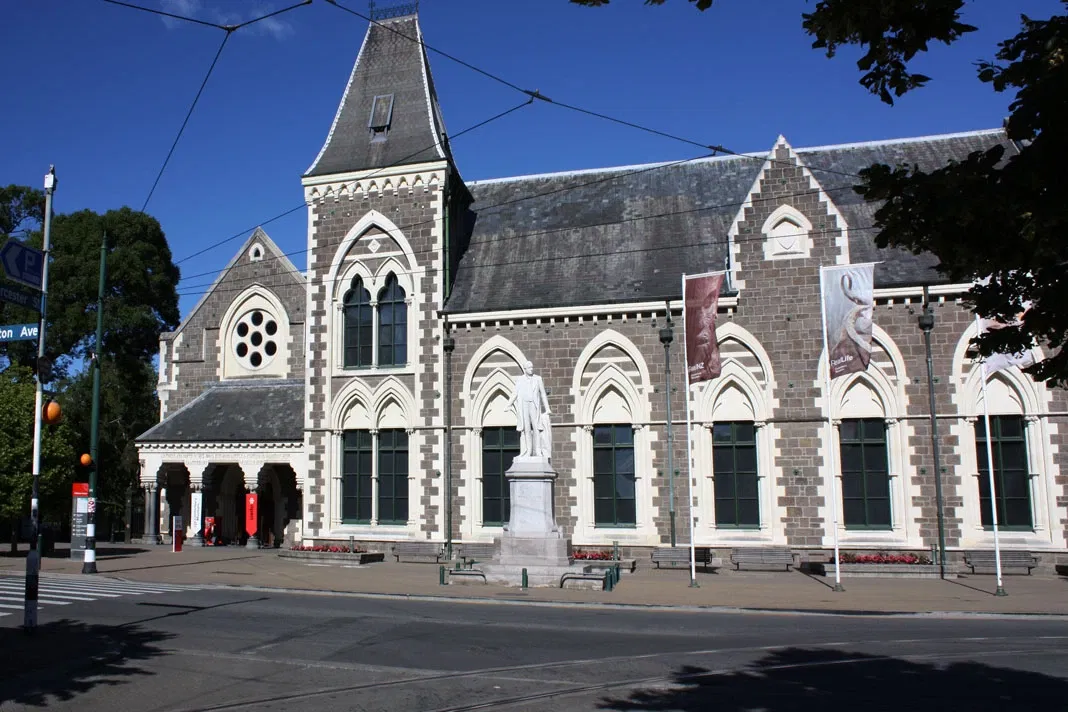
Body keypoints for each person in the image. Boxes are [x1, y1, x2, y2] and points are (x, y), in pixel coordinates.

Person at [506, 360, 552, 458]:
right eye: (529, 368)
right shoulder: (520, 379)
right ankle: (528, 450)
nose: (531, 369)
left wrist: (547, 408)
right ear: (525, 369)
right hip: (524, 405)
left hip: (534, 405)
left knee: (536, 428)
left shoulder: (538, 379)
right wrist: (509, 404)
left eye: (532, 367)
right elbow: (515, 393)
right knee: (526, 429)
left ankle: (538, 450)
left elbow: (543, 394)